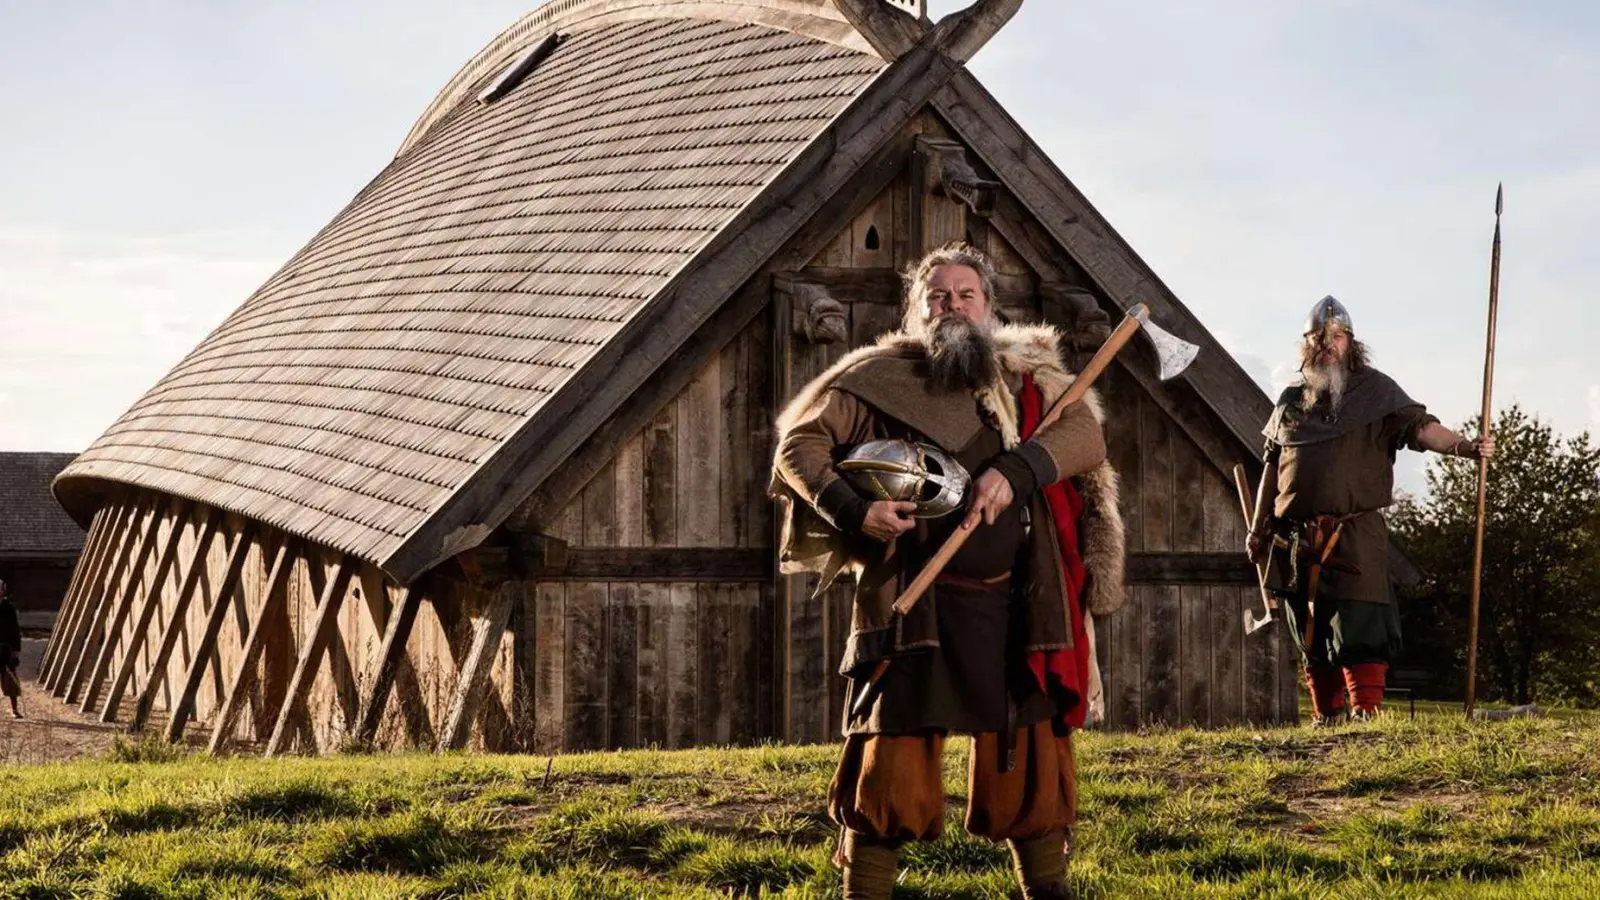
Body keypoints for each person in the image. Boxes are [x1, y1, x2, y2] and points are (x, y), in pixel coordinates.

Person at [770, 243, 1124, 900]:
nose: (952, 306)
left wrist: (1016, 471)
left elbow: (1085, 440)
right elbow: (800, 446)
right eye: (937, 296)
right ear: (915, 310)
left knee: (1035, 773)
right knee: (886, 770)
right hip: (913, 603)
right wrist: (857, 509)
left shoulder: (1028, 384)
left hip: (1019, 606)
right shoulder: (874, 379)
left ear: (989, 308)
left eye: (966, 295)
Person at [1247, 296, 1494, 725]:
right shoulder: (1289, 402)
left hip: (1354, 534)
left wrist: (1465, 447)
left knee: (1362, 620)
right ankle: (1327, 717)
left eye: (1337, 337)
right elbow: (1271, 466)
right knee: (1309, 628)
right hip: (1296, 538)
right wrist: (1258, 527)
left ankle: (1367, 715)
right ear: (1307, 344)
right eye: (1319, 338)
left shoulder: (1378, 392)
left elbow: (1422, 429)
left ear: (1350, 343)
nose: (1328, 345)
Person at [0, 579, 23, 719]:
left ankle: (14, 709)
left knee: (10, 680)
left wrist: (15, 651)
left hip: (5, 648)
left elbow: (15, 630)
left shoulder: (9, 608)